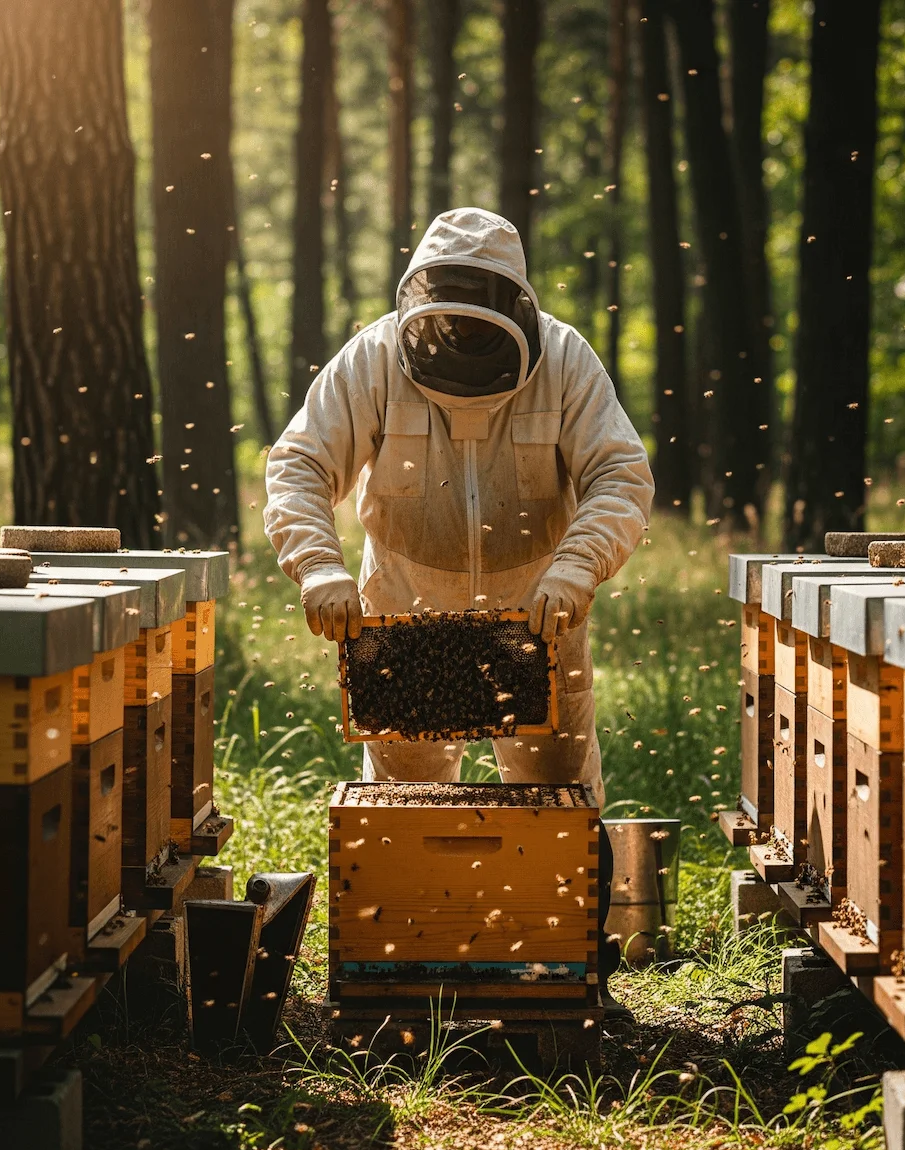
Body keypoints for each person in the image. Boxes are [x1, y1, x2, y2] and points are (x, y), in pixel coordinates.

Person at [265, 206, 654, 1007]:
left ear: (518, 311)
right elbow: (301, 463)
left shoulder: (567, 360)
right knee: (409, 809)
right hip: (400, 611)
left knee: (559, 799)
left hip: (541, 612)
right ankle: (411, 977)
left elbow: (620, 476)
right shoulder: (372, 359)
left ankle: (561, 971)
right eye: (448, 332)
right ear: (417, 311)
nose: (462, 352)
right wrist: (316, 568)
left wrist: (577, 568)